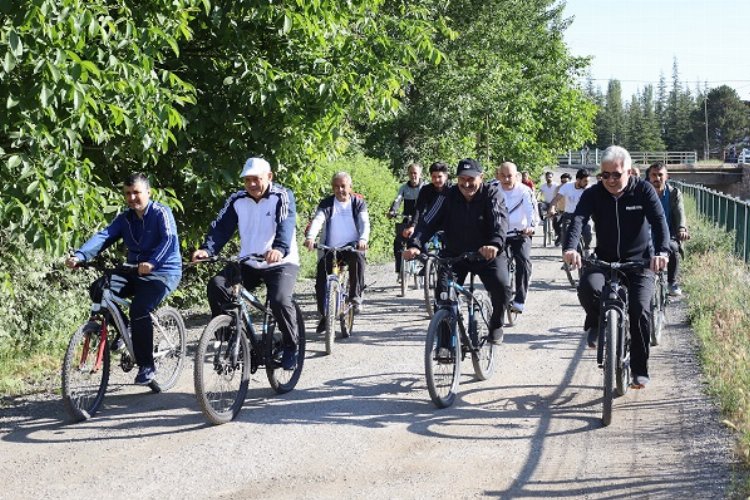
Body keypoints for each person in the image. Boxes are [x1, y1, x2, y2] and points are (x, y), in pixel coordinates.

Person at [563, 146, 670, 389]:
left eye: (616, 174)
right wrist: (570, 248)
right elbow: (578, 219)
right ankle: (596, 321)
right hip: (604, 259)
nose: (610, 180)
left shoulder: (643, 190)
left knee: (639, 311)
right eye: (605, 175)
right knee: (587, 288)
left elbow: (659, 222)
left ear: (630, 172)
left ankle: (639, 370)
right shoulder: (593, 193)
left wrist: (662, 252)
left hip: (640, 262)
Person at [66, 173, 182, 385]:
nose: (132, 198)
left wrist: (153, 262)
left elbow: (169, 240)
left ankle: (147, 365)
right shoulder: (125, 218)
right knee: (99, 289)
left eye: (136, 192)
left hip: (163, 273)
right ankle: (125, 328)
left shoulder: (161, 213)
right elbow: (105, 236)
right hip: (134, 271)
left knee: (139, 308)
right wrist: (80, 255)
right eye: (128, 193)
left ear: (149, 192)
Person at [191, 157, 301, 370]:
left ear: (269, 177)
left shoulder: (282, 196)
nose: (251, 184)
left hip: (280, 262)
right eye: (247, 180)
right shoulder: (237, 199)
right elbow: (221, 228)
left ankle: (290, 345)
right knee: (217, 285)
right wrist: (207, 249)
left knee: (278, 301)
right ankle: (233, 338)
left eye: (256, 179)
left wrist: (278, 248)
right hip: (249, 262)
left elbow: (286, 223)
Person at [402, 158, 509, 344]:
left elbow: (500, 221)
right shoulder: (447, 195)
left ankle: (496, 324)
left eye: (471, 179)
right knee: (443, 294)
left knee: (501, 287)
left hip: (487, 254)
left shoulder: (492, 194)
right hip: (455, 255)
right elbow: (428, 221)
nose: (466, 184)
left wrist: (495, 244)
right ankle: (444, 345)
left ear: (481, 177)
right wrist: (415, 244)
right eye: (462, 180)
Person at [304, 172, 370, 334]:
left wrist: (363, 239)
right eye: (336, 186)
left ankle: (355, 297)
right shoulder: (327, 203)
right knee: (321, 279)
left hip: (351, 247)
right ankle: (325, 314)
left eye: (343, 186)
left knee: (357, 258)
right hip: (330, 249)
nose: (340, 190)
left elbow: (364, 222)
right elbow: (318, 220)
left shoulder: (358, 203)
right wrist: (311, 237)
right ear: (333, 188)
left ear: (350, 187)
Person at [497, 162, 536, 313]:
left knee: (523, 262)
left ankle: (520, 300)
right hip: (500, 234)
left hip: (521, 233)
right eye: (503, 176)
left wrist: (530, 227)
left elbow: (530, 211)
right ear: (499, 175)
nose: (506, 179)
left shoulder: (524, 191)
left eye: (510, 176)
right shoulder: (493, 189)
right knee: (496, 266)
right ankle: (500, 296)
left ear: (516, 176)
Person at [646, 161, 690, 296]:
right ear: (649, 176)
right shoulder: (642, 192)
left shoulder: (673, 193)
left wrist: (682, 229)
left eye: (660, 175)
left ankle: (672, 282)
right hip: (646, 235)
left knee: (673, 248)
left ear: (667, 176)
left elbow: (680, 212)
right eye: (654, 175)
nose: (657, 178)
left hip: (668, 235)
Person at [389, 162, 425, 279]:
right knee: (398, 242)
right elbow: (398, 200)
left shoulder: (425, 187)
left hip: (422, 220)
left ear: (420, 174)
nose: (413, 175)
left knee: (422, 242)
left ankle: (426, 266)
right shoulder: (404, 188)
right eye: (411, 173)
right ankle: (400, 270)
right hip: (407, 219)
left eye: (415, 173)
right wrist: (393, 210)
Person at [404, 161, 451, 239]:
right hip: (430, 223)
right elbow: (419, 208)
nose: (437, 180)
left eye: (439, 176)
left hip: (449, 225)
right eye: (434, 177)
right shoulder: (426, 189)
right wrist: (413, 226)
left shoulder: (452, 190)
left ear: (445, 176)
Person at [548, 168, 591, 249]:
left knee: (587, 235)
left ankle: (587, 250)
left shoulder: (589, 189)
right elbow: (556, 199)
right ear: (578, 180)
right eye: (585, 181)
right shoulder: (567, 186)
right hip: (569, 216)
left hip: (582, 216)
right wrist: (552, 208)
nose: (587, 183)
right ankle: (566, 258)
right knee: (566, 238)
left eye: (588, 181)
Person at [551, 172, 571, 244]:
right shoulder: (557, 189)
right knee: (555, 222)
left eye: (565, 182)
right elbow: (554, 200)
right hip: (560, 211)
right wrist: (553, 210)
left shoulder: (574, 189)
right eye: (562, 182)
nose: (563, 184)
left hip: (571, 212)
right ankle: (560, 236)